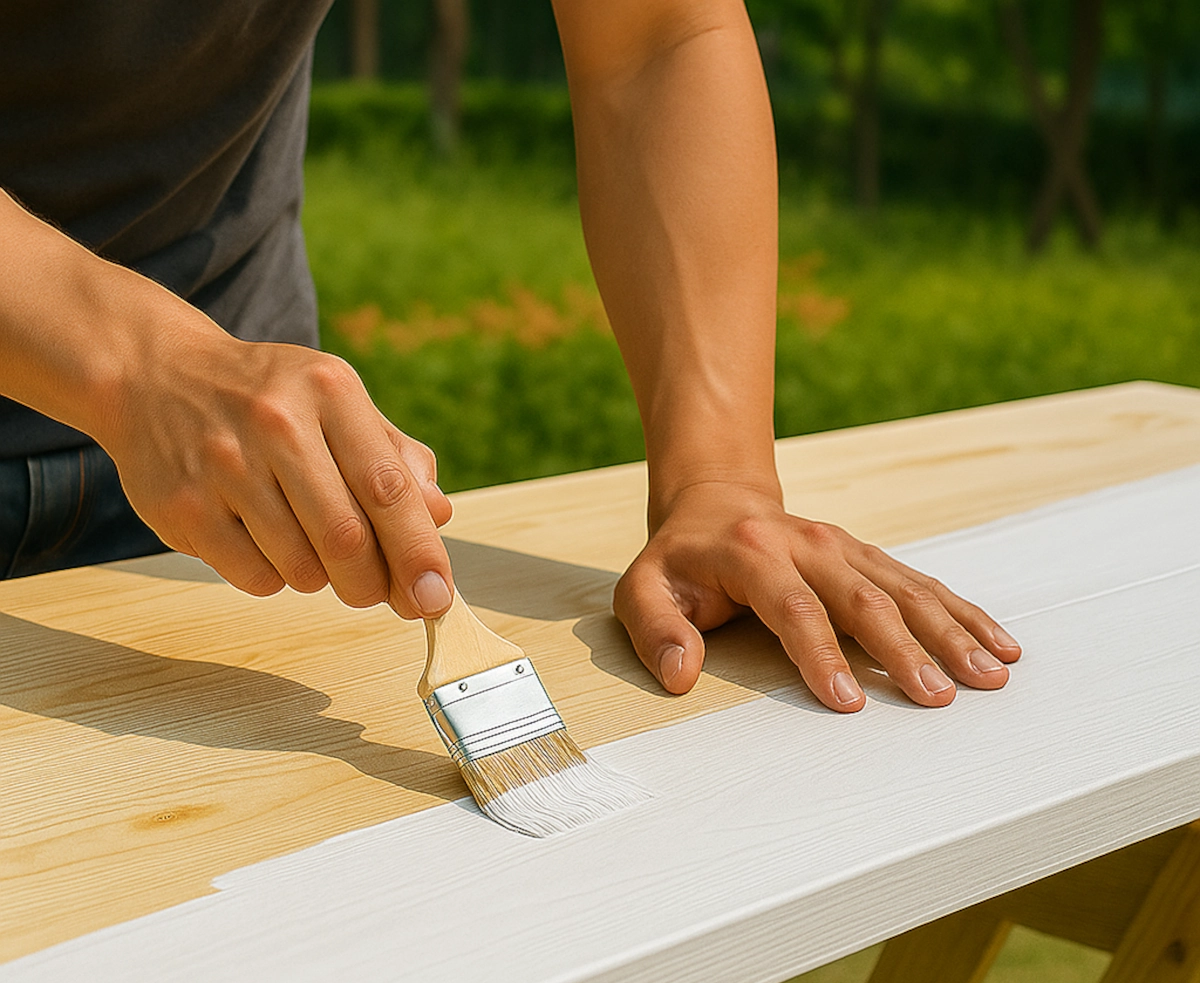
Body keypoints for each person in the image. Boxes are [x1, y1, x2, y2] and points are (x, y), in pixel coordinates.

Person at [0, 0, 1019, 712]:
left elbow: (654, 36)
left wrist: (721, 478)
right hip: (177, 385)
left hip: (247, 496)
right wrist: (132, 363)